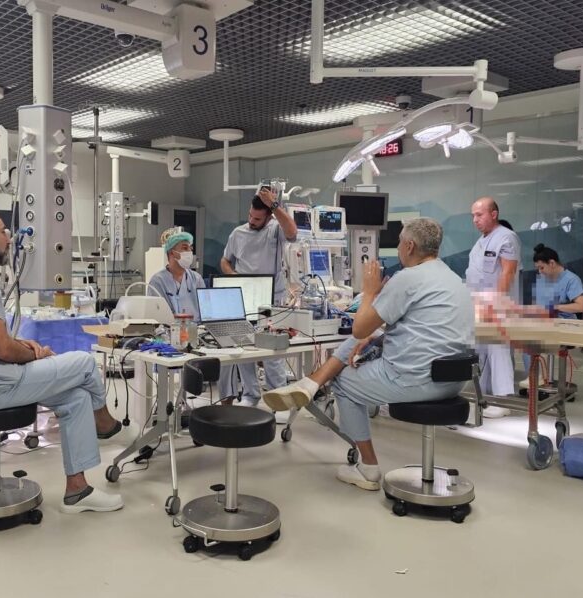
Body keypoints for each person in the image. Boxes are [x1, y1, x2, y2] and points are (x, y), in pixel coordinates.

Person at [0, 206, 124, 514]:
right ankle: (106, 424)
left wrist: (23, 345)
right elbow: (3, 350)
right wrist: (33, 353)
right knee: (85, 363)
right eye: (3, 231)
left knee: (75, 398)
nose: (9, 238)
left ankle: (78, 491)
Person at [262, 218, 475, 490]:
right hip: (454, 380)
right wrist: (379, 340)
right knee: (365, 340)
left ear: (410, 246)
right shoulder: (452, 278)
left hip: (418, 381)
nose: (398, 247)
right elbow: (428, 332)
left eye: (399, 242)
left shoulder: (408, 278)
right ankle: (312, 382)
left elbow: (360, 327)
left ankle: (368, 467)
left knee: (343, 382)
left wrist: (370, 291)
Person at [219, 186, 298, 407]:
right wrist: (234, 276)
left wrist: (274, 204)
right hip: (245, 297)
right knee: (243, 347)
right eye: (250, 216)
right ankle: (250, 394)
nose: (252, 221)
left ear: (269, 216)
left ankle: (278, 397)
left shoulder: (275, 230)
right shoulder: (238, 234)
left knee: (271, 350)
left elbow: (292, 233)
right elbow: (225, 261)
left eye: (257, 219)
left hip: (271, 299)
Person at [466, 197, 521, 416]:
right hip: (479, 306)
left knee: (498, 352)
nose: (475, 220)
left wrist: (495, 304)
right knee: (482, 353)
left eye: (479, 215)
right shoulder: (481, 241)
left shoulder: (506, 237)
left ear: (494, 214)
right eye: (473, 216)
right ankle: (485, 397)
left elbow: (508, 272)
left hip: (498, 307)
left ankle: (503, 401)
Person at [521, 243, 583, 389]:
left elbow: (582, 306)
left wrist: (556, 307)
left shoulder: (571, 280)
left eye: (542, 267)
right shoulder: (542, 278)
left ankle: (539, 377)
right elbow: (538, 305)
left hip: (565, 323)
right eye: (538, 268)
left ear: (552, 263)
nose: (540, 271)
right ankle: (535, 376)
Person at [148, 228, 204, 320]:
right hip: (169, 328)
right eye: (185, 248)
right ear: (172, 253)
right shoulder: (158, 281)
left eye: (191, 248)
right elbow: (156, 316)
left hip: (196, 327)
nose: (189, 252)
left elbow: (205, 311)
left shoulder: (196, 279)